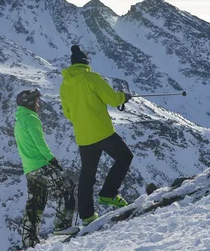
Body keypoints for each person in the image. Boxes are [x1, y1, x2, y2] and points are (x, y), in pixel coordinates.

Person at [59, 45, 134, 226]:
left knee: (87, 175)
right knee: (125, 157)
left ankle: (87, 215)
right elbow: (112, 99)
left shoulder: (65, 85)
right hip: (102, 131)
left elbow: (68, 113)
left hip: (83, 136)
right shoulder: (91, 78)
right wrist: (124, 96)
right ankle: (108, 193)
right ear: (85, 63)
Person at [14, 88, 78, 249]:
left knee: (35, 204)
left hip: (29, 169)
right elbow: (39, 142)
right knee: (67, 188)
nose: (38, 104)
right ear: (29, 103)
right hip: (41, 164)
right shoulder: (31, 118)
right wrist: (53, 160)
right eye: (36, 101)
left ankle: (29, 241)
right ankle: (62, 226)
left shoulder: (19, 121)